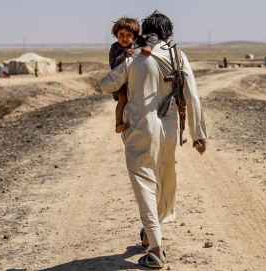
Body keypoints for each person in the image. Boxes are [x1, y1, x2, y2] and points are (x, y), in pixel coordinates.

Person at [101, 10, 207, 269]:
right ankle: (149, 233)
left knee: (145, 184)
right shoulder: (177, 55)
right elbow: (192, 95)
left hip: (139, 128)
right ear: (168, 34)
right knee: (165, 177)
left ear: (142, 33)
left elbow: (107, 85)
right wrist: (199, 135)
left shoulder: (132, 56)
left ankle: (157, 250)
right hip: (170, 127)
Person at [109, 17, 159, 133]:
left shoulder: (139, 42)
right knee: (123, 99)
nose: (125, 38)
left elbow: (153, 36)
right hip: (120, 81)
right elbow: (113, 65)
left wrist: (148, 46)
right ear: (116, 35)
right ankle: (118, 124)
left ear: (135, 36)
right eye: (121, 35)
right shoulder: (114, 48)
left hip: (135, 79)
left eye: (128, 35)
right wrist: (123, 55)